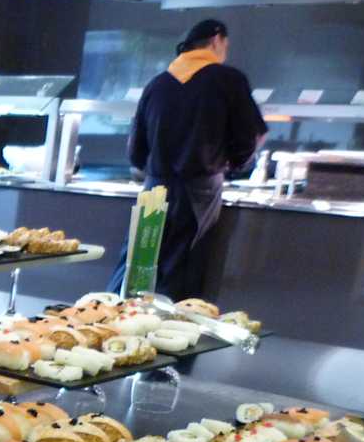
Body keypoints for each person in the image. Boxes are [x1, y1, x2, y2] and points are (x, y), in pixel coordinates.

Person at [107, 18, 267, 300]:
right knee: (180, 268)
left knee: (137, 262)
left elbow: (136, 150)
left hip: (154, 186)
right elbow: (251, 135)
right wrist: (236, 166)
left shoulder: (158, 83)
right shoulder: (228, 79)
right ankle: (168, 325)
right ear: (217, 40)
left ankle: (112, 317)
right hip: (199, 189)